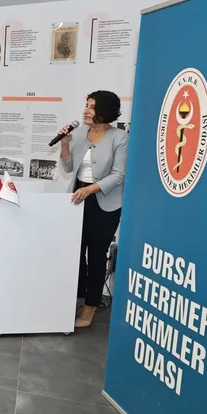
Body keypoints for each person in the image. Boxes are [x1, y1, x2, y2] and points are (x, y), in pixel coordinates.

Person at [58, 90, 127, 328]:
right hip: (78, 197)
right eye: (86, 105)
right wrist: (65, 144)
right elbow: (68, 167)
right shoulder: (78, 133)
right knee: (76, 252)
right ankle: (78, 296)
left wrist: (90, 189)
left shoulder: (119, 137)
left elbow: (119, 175)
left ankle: (91, 305)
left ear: (105, 111)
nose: (86, 111)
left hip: (104, 202)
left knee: (96, 256)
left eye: (92, 107)